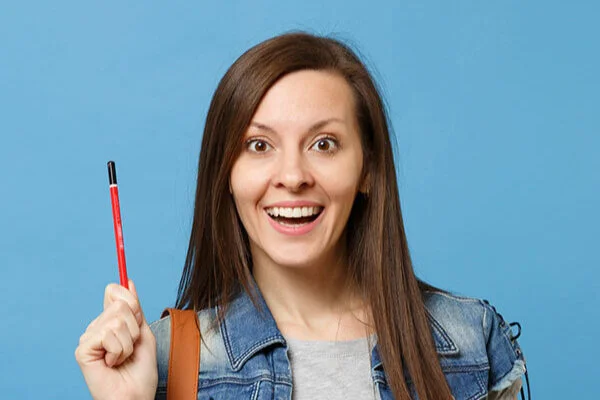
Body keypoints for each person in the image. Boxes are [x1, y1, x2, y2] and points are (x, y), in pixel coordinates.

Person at [75, 32, 527, 400]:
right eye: (259, 145)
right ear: (226, 174)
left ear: (367, 169)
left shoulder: (471, 341)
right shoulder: (162, 359)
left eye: (323, 144)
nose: (292, 177)